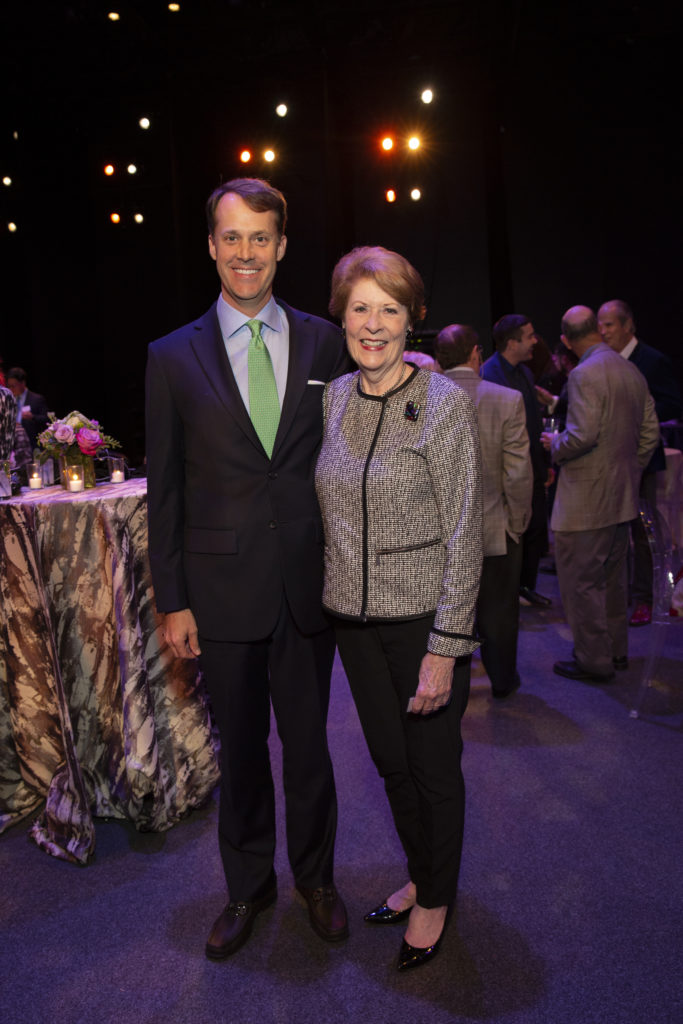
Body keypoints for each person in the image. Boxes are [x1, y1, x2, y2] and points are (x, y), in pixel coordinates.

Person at [145, 178, 350, 961]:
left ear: (282, 246)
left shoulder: (324, 342)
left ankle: (318, 881)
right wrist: (172, 600)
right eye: (230, 237)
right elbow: (163, 490)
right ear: (210, 245)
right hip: (218, 596)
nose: (244, 252)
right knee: (242, 756)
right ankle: (246, 889)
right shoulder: (170, 355)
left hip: (306, 587)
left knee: (309, 750)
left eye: (259, 237)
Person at [315, 247, 483, 972]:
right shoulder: (333, 397)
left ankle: (437, 896)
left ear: (412, 319)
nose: (373, 325)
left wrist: (445, 647)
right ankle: (422, 871)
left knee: (433, 768)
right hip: (351, 623)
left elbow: (465, 532)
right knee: (390, 766)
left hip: (421, 622)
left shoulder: (443, 403)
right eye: (360, 308)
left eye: (389, 309)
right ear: (341, 317)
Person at [541, 306, 659, 682]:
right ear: (597, 329)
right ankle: (617, 653)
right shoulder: (631, 369)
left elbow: (582, 435)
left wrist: (553, 443)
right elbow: (650, 434)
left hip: (584, 503)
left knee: (581, 584)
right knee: (612, 581)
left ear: (566, 340)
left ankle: (594, 660)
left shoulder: (584, 373)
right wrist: (627, 470)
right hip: (621, 498)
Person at [435, 323, 532, 699]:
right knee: (499, 614)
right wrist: (517, 524)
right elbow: (518, 473)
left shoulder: (421, 400)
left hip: (437, 532)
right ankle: (503, 681)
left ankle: (450, 684)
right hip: (494, 527)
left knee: (444, 613)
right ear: (476, 354)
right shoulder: (506, 399)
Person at [597, 299, 682, 626]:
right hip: (609, 459)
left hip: (641, 459)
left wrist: (638, 418)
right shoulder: (604, 361)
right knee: (612, 529)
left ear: (628, 326)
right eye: (600, 326)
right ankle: (615, 595)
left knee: (642, 529)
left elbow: (672, 404)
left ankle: (644, 598)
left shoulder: (651, 360)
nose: (603, 332)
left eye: (609, 325)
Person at [481, 315, 552, 608]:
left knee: (536, 528)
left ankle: (526, 587)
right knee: (515, 534)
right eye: (530, 336)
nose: (535, 341)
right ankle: (512, 591)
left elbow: (532, 425)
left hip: (530, 464)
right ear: (512, 343)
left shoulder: (524, 373)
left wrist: (543, 463)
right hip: (505, 471)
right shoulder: (490, 374)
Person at [6, 368, 48, 450]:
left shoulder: (36, 399)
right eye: (9, 386)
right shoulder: (8, 400)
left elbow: (47, 420)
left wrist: (33, 417)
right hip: (13, 447)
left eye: (14, 386)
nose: (11, 389)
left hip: (32, 446)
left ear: (23, 383)